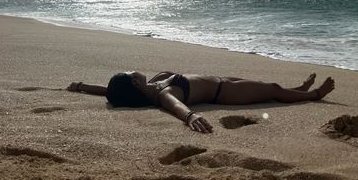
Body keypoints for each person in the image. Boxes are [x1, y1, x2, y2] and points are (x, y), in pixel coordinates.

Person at [67, 70, 335, 133]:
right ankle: (313, 95)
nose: (132, 69)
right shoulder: (163, 94)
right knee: (272, 90)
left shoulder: (149, 86)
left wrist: (81, 86)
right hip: (224, 93)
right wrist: (191, 117)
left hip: (220, 79)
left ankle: (298, 89)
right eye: (130, 73)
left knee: (270, 87)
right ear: (135, 84)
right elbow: (177, 107)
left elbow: (109, 92)